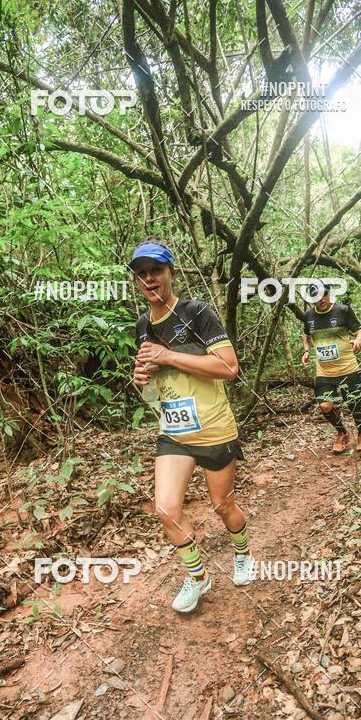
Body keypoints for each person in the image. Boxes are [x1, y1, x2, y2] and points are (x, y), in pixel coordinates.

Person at [131, 238, 255, 614]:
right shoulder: (141, 325)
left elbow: (229, 368)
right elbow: (154, 386)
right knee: (166, 510)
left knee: (223, 505)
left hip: (215, 429)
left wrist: (168, 355)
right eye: (142, 274)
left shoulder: (197, 313)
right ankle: (198, 576)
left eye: (156, 271)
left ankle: (242, 553)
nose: (149, 279)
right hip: (174, 433)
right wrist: (141, 379)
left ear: (171, 273)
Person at [301, 283, 361, 454]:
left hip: (348, 367)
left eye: (323, 295)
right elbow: (306, 334)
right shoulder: (309, 315)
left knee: (355, 404)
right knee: (325, 406)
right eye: (316, 297)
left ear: (329, 294)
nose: (320, 300)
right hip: (324, 371)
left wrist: (359, 340)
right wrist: (307, 351)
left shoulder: (342, 310)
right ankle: (341, 433)